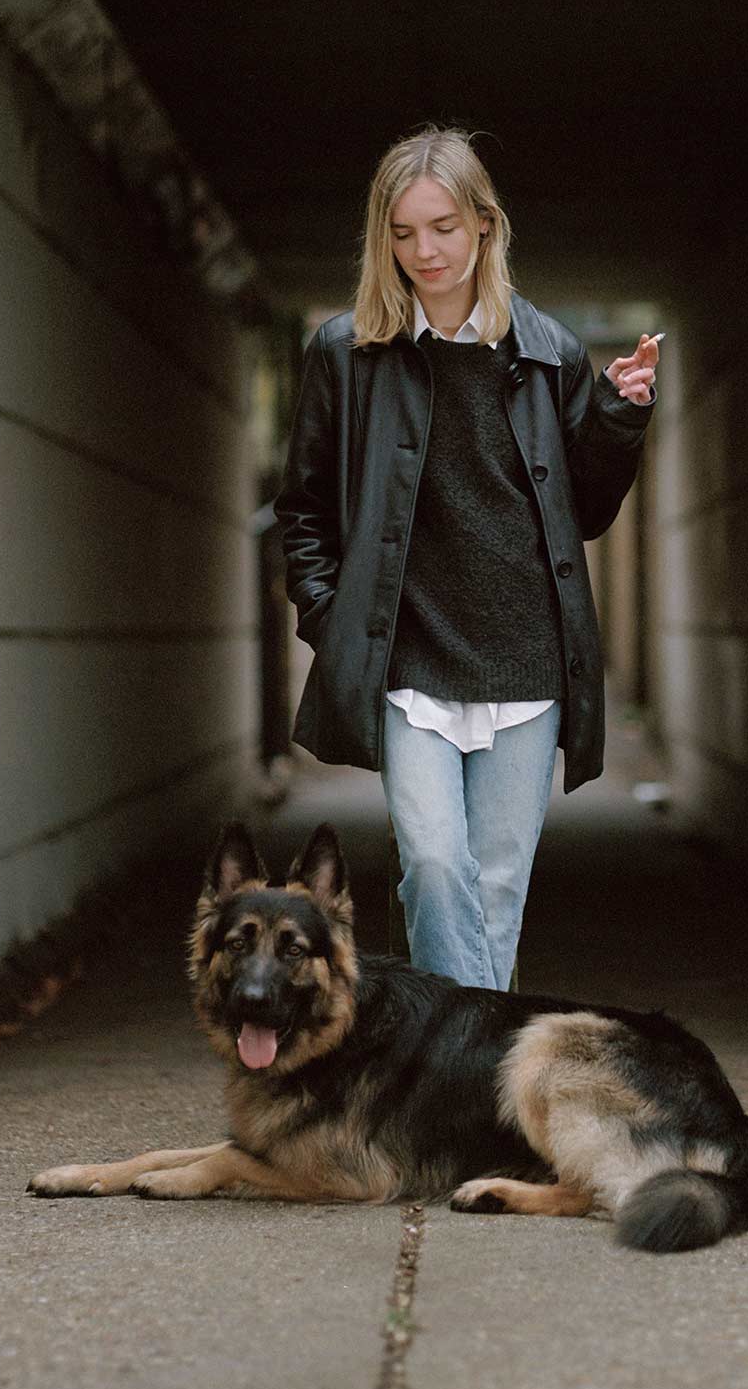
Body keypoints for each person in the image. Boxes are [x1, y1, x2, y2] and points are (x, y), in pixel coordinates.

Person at [274, 126, 659, 990]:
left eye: (443, 227)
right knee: (437, 870)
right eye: (403, 234)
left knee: (497, 886)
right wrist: (335, 623)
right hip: (409, 663)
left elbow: (584, 515)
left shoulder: (550, 351)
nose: (425, 252)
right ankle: (473, 1077)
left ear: (485, 224)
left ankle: (457, 1083)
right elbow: (301, 509)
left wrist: (617, 419)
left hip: (525, 666)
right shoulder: (346, 354)